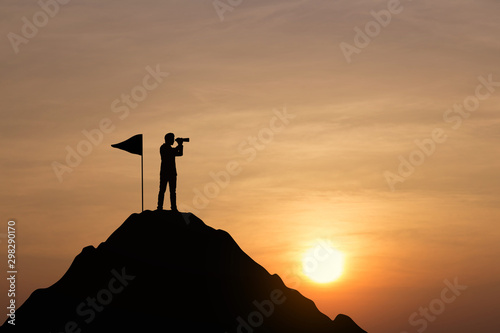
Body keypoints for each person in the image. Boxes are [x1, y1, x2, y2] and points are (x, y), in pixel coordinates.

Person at [157, 133, 183, 211]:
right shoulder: (163, 147)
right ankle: (159, 207)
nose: (173, 141)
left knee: (172, 191)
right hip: (165, 172)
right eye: (172, 139)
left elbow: (180, 154)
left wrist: (180, 145)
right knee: (162, 190)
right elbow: (173, 152)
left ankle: (173, 207)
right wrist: (179, 145)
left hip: (172, 172)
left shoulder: (169, 148)